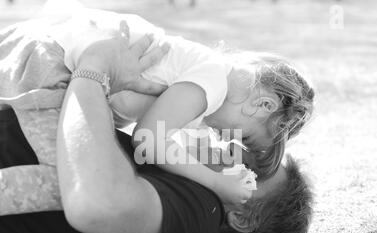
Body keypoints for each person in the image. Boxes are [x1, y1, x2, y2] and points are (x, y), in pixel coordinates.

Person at [0, 33, 313, 233]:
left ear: (242, 218)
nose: (231, 148)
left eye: (249, 171)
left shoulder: (200, 212)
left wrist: (93, 69)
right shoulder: (188, 167)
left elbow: (100, 205)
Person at [0, 8, 314, 215]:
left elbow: (156, 129)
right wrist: (217, 183)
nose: (223, 138)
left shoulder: (202, 79)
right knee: (75, 179)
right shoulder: (213, 82)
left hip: (46, 50)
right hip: (53, 63)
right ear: (263, 105)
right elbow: (148, 140)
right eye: (242, 135)